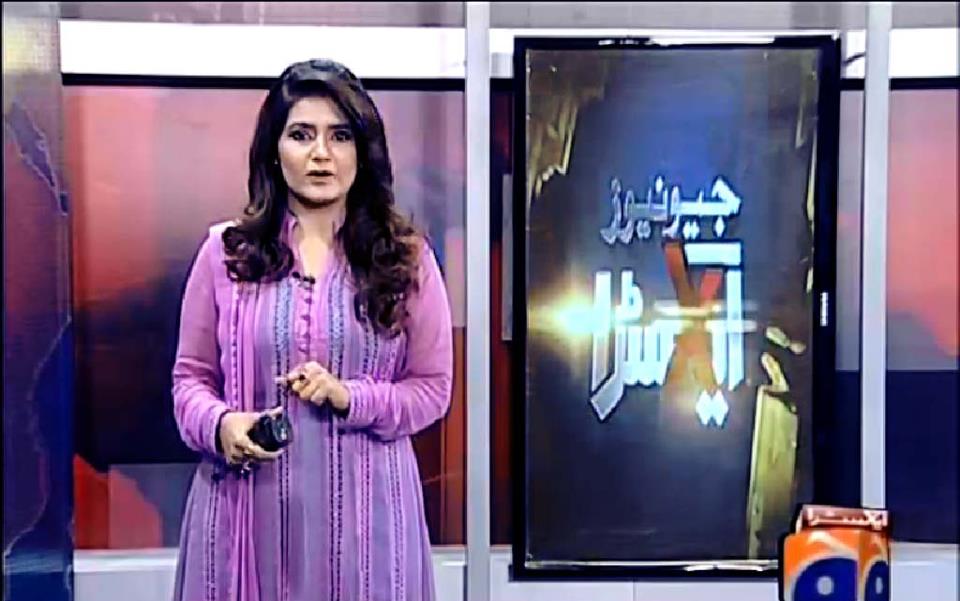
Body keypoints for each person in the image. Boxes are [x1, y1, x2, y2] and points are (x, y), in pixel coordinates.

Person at [171, 58, 453, 601]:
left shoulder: (406, 259)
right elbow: (190, 381)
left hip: (369, 529)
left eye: (340, 136)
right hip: (243, 517)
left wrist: (351, 397)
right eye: (301, 134)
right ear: (274, 150)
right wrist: (222, 426)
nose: (321, 153)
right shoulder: (225, 254)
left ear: (362, 151)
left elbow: (432, 390)